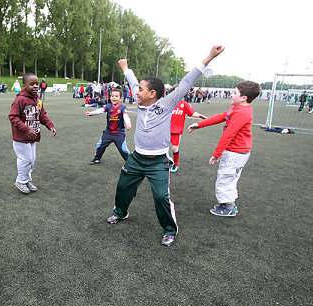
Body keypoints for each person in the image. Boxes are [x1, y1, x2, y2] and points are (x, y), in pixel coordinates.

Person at [106, 45, 224, 248]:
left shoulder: (167, 103)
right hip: (136, 159)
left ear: (152, 93)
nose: (136, 92)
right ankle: (120, 212)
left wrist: (209, 57)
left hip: (158, 162)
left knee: (161, 196)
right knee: (123, 187)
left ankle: (169, 230)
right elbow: (133, 82)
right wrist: (126, 69)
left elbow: (187, 81)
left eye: (141, 90)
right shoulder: (139, 100)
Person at [188, 80, 261, 217]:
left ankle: (229, 207)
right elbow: (221, 117)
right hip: (239, 151)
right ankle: (227, 204)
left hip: (235, 152)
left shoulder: (241, 112)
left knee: (225, 178)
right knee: (230, 178)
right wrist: (200, 124)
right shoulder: (238, 109)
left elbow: (229, 135)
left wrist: (217, 154)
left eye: (234, 93)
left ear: (243, 98)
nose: (232, 95)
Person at [8, 73, 56, 194]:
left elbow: (42, 115)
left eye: (36, 84)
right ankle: (20, 180)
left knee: (32, 160)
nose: (35, 86)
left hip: (33, 136)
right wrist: (26, 129)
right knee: (26, 159)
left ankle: (27, 179)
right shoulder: (20, 99)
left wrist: (50, 125)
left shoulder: (38, 99)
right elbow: (13, 117)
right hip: (21, 137)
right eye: (31, 84)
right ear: (24, 85)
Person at [85, 88, 132, 164]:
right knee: (100, 145)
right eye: (112, 96)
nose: (114, 97)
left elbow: (125, 115)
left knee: (123, 149)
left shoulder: (123, 108)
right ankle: (97, 159)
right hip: (108, 132)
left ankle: (129, 161)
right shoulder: (108, 106)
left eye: (116, 96)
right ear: (110, 97)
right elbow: (101, 110)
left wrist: (128, 123)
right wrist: (92, 113)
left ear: (120, 98)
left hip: (119, 133)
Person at [168, 84, 207, 173]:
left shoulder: (184, 104)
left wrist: (200, 116)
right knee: (164, 149)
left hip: (176, 131)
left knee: (174, 148)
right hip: (165, 130)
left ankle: (175, 164)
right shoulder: (168, 102)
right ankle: (167, 162)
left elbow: (192, 113)